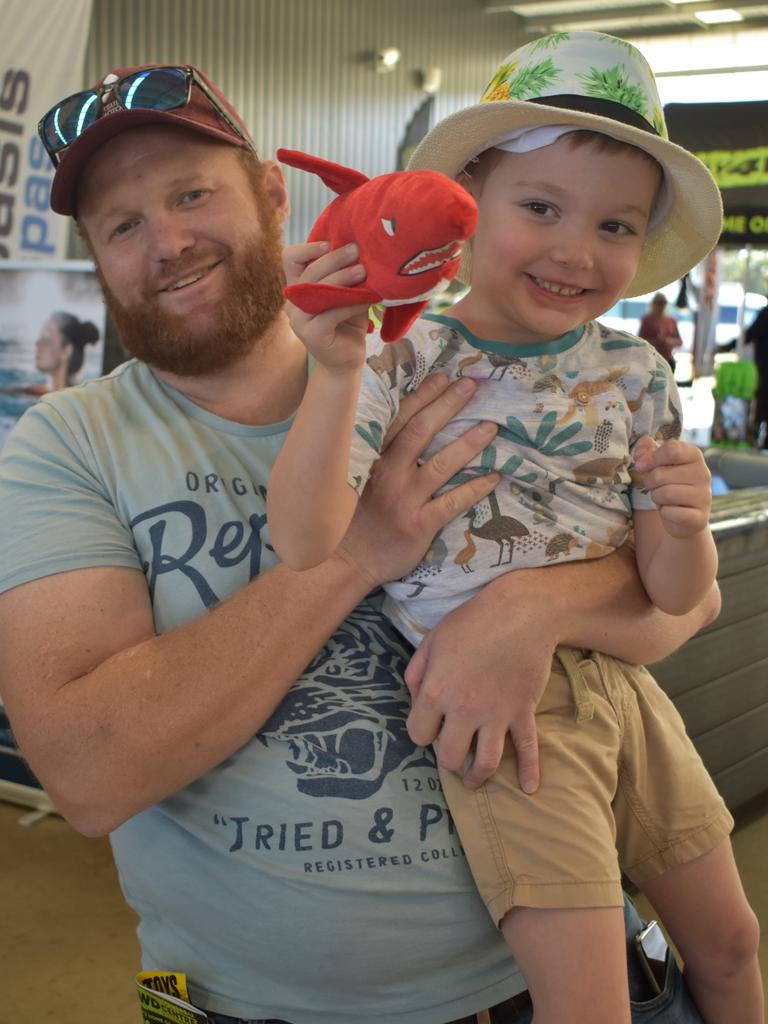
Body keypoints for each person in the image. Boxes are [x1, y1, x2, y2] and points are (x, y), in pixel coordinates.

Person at [0, 62, 723, 1024]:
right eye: (123, 225)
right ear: (94, 253)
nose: (167, 242)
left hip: (533, 981)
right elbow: (86, 777)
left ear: (268, 195)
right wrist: (361, 553)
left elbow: (687, 604)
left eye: (190, 194)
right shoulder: (69, 440)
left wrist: (527, 607)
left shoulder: (437, 369)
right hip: (240, 1005)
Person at [268, 32, 763, 1024]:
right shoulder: (403, 353)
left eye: (617, 225)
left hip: (626, 684)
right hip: (508, 720)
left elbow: (673, 591)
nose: (579, 249)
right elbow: (304, 539)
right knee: (585, 999)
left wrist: (684, 521)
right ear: (467, 206)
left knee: (735, 943)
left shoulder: (637, 374)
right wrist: (331, 372)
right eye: (541, 207)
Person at [744, 298, 768, 447]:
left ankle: (759, 435)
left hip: (765, 368)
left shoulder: (765, 314)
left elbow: (749, 334)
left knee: (763, 401)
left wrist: (728, 346)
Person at [638, 292, 681, 370]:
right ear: (654, 304)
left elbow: (679, 341)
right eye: (659, 303)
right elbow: (640, 340)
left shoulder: (671, 321)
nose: (661, 306)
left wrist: (669, 341)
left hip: (668, 359)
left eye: (663, 303)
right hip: (652, 359)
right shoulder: (647, 320)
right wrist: (656, 342)